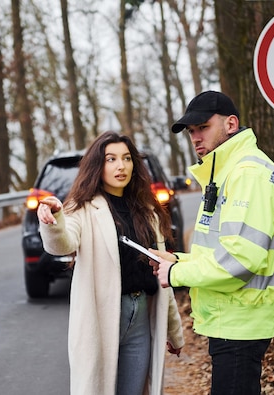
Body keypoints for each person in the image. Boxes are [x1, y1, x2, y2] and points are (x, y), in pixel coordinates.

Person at [149, 91, 274, 395]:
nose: (196, 137)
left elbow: (241, 261)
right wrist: (178, 260)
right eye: (191, 132)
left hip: (240, 320)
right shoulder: (226, 172)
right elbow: (223, 250)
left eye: (203, 127)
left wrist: (177, 275)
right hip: (232, 319)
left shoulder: (247, 174)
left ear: (231, 123)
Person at [37, 131, 185, 395]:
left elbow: (161, 273)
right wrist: (53, 221)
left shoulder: (147, 210)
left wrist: (174, 331)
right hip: (102, 318)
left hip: (141, 316)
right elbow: (62, 244)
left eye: (127, 158)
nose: (121, 166)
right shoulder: (81, 208)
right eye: (111, 159)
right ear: (98, 166)